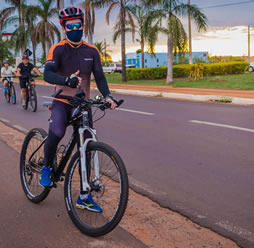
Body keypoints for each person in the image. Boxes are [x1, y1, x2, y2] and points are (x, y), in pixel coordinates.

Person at [40, 6, 116, 213]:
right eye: (70, 26)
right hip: (62, 102)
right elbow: (47, 74)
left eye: (78, 25)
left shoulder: (92, 50)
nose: (75, 28)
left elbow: (99, 76)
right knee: (56, 132)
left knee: (87, 147)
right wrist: (66, 80)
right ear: (64, 28)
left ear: (83, 25)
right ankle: (46, 167)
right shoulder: (58, 48)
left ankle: (84, 196)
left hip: (83, 105)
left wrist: (107, 97)